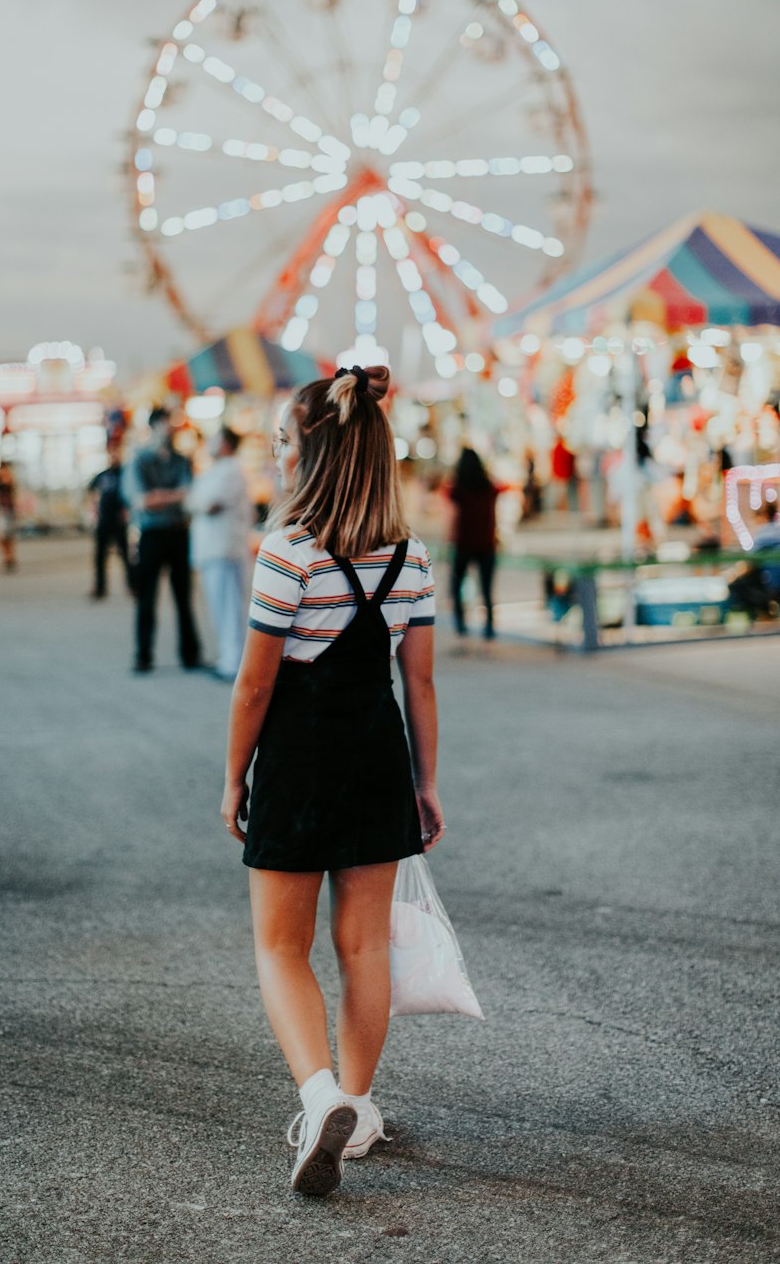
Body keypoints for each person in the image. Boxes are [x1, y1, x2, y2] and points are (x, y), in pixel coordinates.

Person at [220, 364, 442, 1198]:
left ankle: (319, 1100)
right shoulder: (410, 557)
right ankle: (359, 1104)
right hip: (377, 753)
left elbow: (254, 685)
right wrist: (426, 782)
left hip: (299, 758)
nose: (275, 457)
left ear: (311, 455)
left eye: (282, 443)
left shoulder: (288, 553)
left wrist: (233, 776)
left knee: (280, 945)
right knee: (364, 945)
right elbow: (418, 682)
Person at [123, 408, 201, 673]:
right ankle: (143, 655)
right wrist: (172, 495)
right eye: (168, 423)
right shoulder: (140, 460)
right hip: (152, 535)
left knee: (184, 596)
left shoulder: (181, 460)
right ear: (155, 425)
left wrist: (159, 495)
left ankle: (190, 654)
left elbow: (190, 495)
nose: (171, 429)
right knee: (147, 596)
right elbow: (141, 500)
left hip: (179, 533)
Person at [185, 425, 252, 681]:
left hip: (225, 549)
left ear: (225, 444)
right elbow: (196, 500)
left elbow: (207, 503)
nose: (210, 443)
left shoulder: (232, 471)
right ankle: (228, 658)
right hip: (213, 550)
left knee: (229, 607)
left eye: (215, 438)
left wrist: (194, 501)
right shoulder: (216, 471)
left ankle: (234, 662)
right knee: (219, 606)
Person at [446, 447, 499, 639]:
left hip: (464, 543)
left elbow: (454, 518)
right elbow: (493, 516)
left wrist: (450, 540)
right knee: (487, 588)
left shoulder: (458, 489)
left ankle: (460, 623)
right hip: (486, 543)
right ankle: (489, 626)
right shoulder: (488, 487)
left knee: (457, 584)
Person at [727, 499, 780, 618]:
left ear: (762, 516)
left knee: (738, 586)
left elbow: (750, 563)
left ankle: (764, 614)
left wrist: (734, 574)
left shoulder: (763, 533)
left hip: (774, 585)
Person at [87, 444, 131, 599]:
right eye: (112, 454)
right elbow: (91, 491)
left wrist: (128, 511)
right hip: (104, 520)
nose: (114, 457)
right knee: (100, 556)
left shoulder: (126, 473)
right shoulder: (102, 475)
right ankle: (100, 587)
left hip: (119, 521)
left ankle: (133, 585)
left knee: (126, 555)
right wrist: (94, 509)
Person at [0, 461, 18, 572]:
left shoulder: (9, 478)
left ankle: (9, 557)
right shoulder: (0, 478)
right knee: (2, 536)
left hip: (6, 509)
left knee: (6, 535)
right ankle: (7, 557)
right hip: (1, 509)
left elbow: (11, 488)